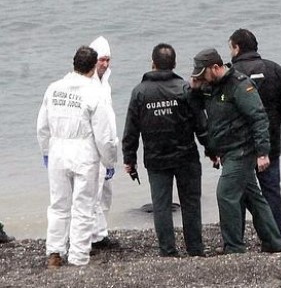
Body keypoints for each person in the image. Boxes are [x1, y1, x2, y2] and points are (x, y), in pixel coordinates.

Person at [190, 48, 281, 254]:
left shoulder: (240, 85)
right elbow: (195, 105)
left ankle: (234, 247)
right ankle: (274, 242)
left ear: (215, 68)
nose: (201, 78)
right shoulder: (211, 86)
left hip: (241, 150)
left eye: (202, 74)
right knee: (253, 198)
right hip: (226, 150)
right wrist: (194, 87)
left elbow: (259, 118)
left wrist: (262, 152)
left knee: (225, 194)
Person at [122, 43, 207, 257]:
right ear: (174, 64)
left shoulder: (140, 92)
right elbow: (201, 123)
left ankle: (168, 251)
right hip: (186, 155)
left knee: (161, 205)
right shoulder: (184, 89)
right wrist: (212, 149)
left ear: (152, 64)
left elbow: (131, 129)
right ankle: (195, 249)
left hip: (156, 158)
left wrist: (129, 159)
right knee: (191, 203)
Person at [37, 46, 117, 268]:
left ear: (73, 64)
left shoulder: (53, 89)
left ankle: (54, 250)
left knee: (58, 204)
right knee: (83, 206)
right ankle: (78, 256)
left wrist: (46, 151)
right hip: (84, 153)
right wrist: (109, 161)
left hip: (58, 151)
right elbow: (104, 134)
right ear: (93, 67)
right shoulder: (94, 93)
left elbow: (42, 126)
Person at [228, 28, 281, 247]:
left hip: (238, 144)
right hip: (270, 142)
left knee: (237, 192)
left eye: (230, 47)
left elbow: (220, 110)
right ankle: (276, 235)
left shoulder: (231, 74)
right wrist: (275, 121)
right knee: (270, 190)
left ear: (237, 48)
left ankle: (236, 241)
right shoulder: (274, 69)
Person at [89, 36, 119, 250]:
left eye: (108, 60)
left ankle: (101, 231)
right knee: (92, 193)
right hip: (92, 149)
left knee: (105, 193)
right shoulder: (86, 85)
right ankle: (94, 236)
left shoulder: (105, 83)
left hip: (107, 147)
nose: (105, 64)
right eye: (102, 60)